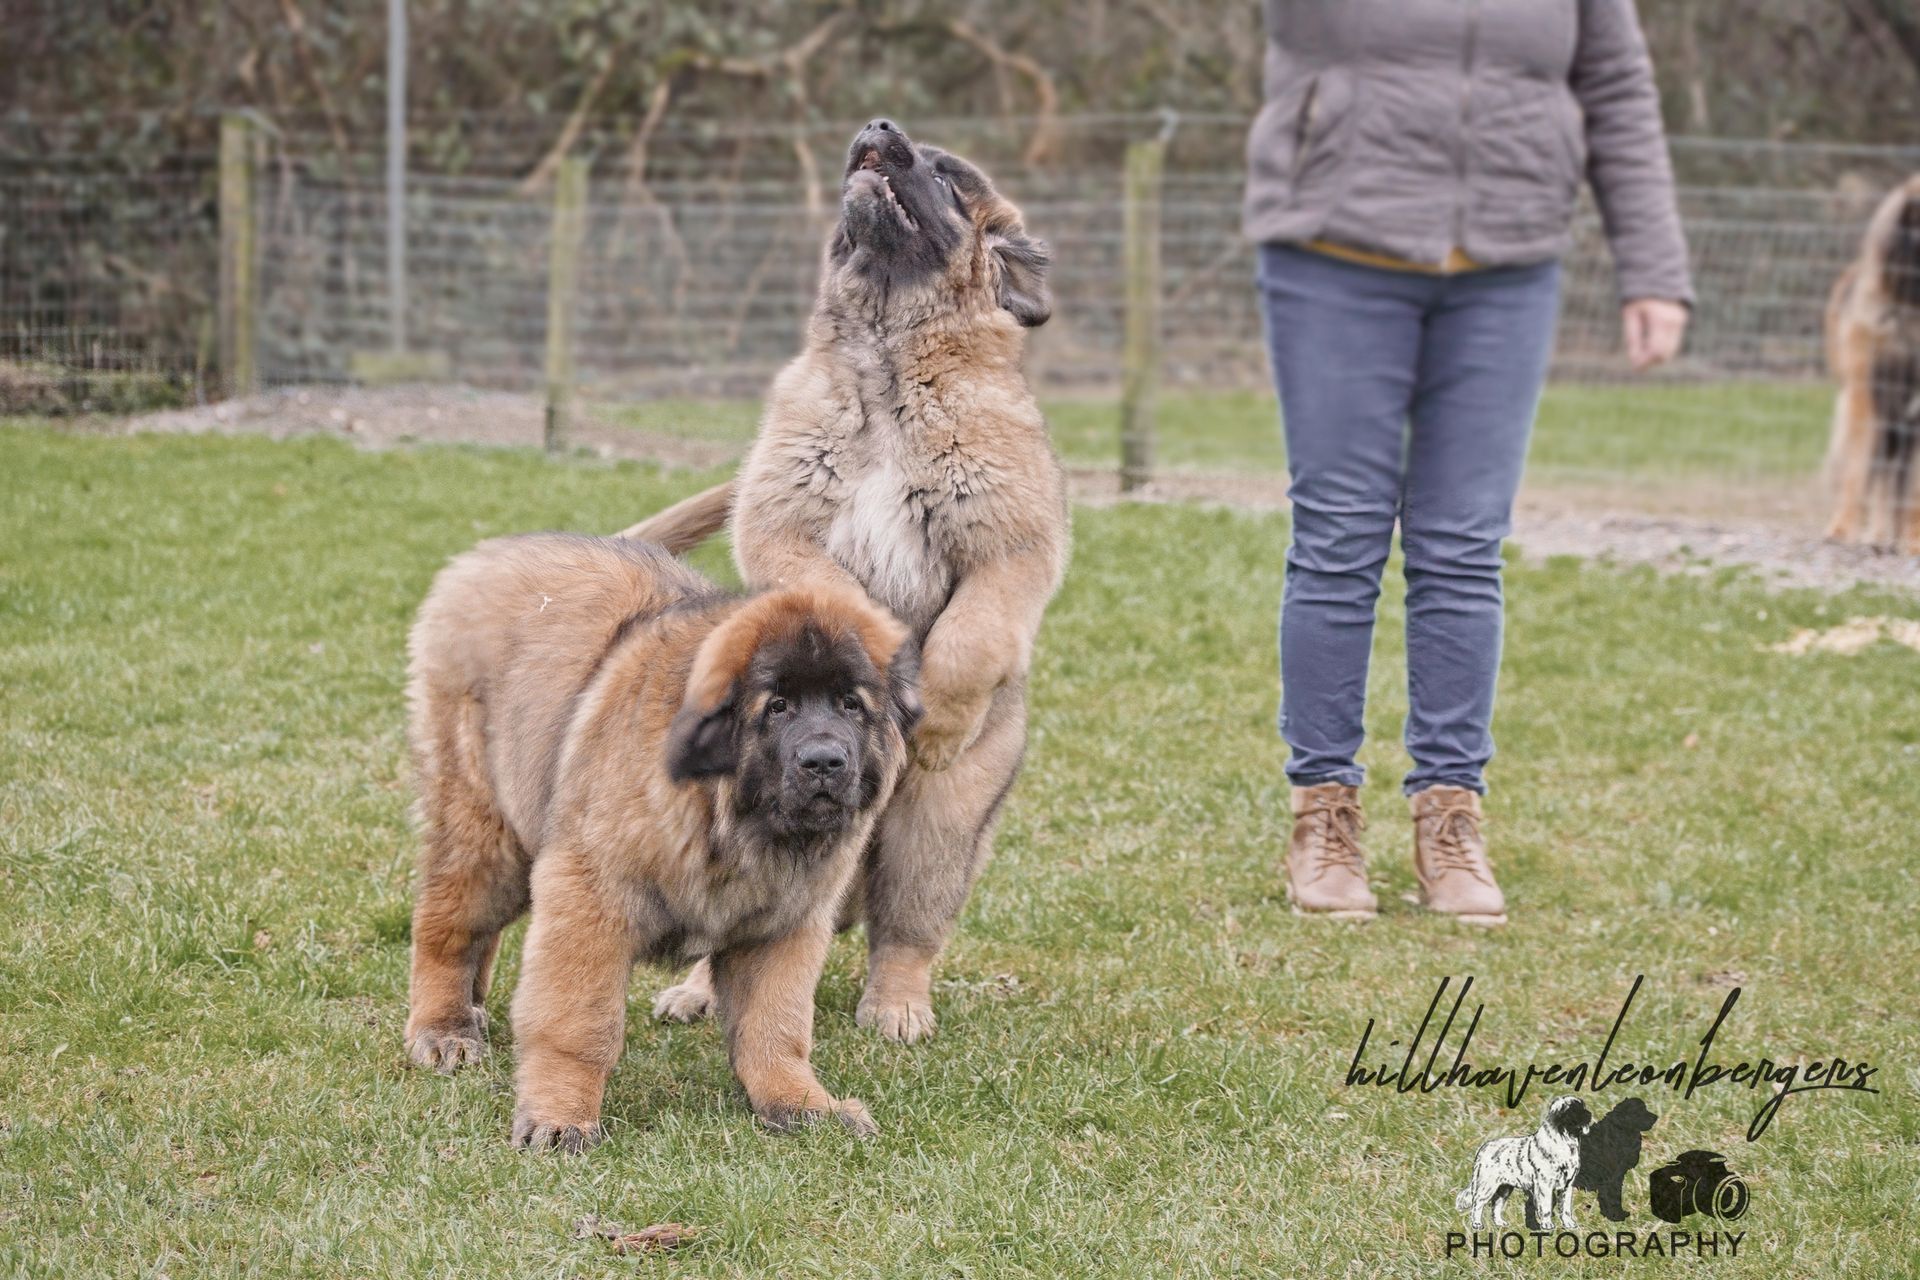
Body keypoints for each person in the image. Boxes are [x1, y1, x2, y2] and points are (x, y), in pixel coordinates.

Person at [1243, 1, 1692, 925]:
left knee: (1463, 543)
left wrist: (1652, 267)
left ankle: (1451, 818)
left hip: (1508, 263)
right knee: (1340, 535)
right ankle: (1323, 816)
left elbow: (1614, 85)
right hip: (1334, 249)